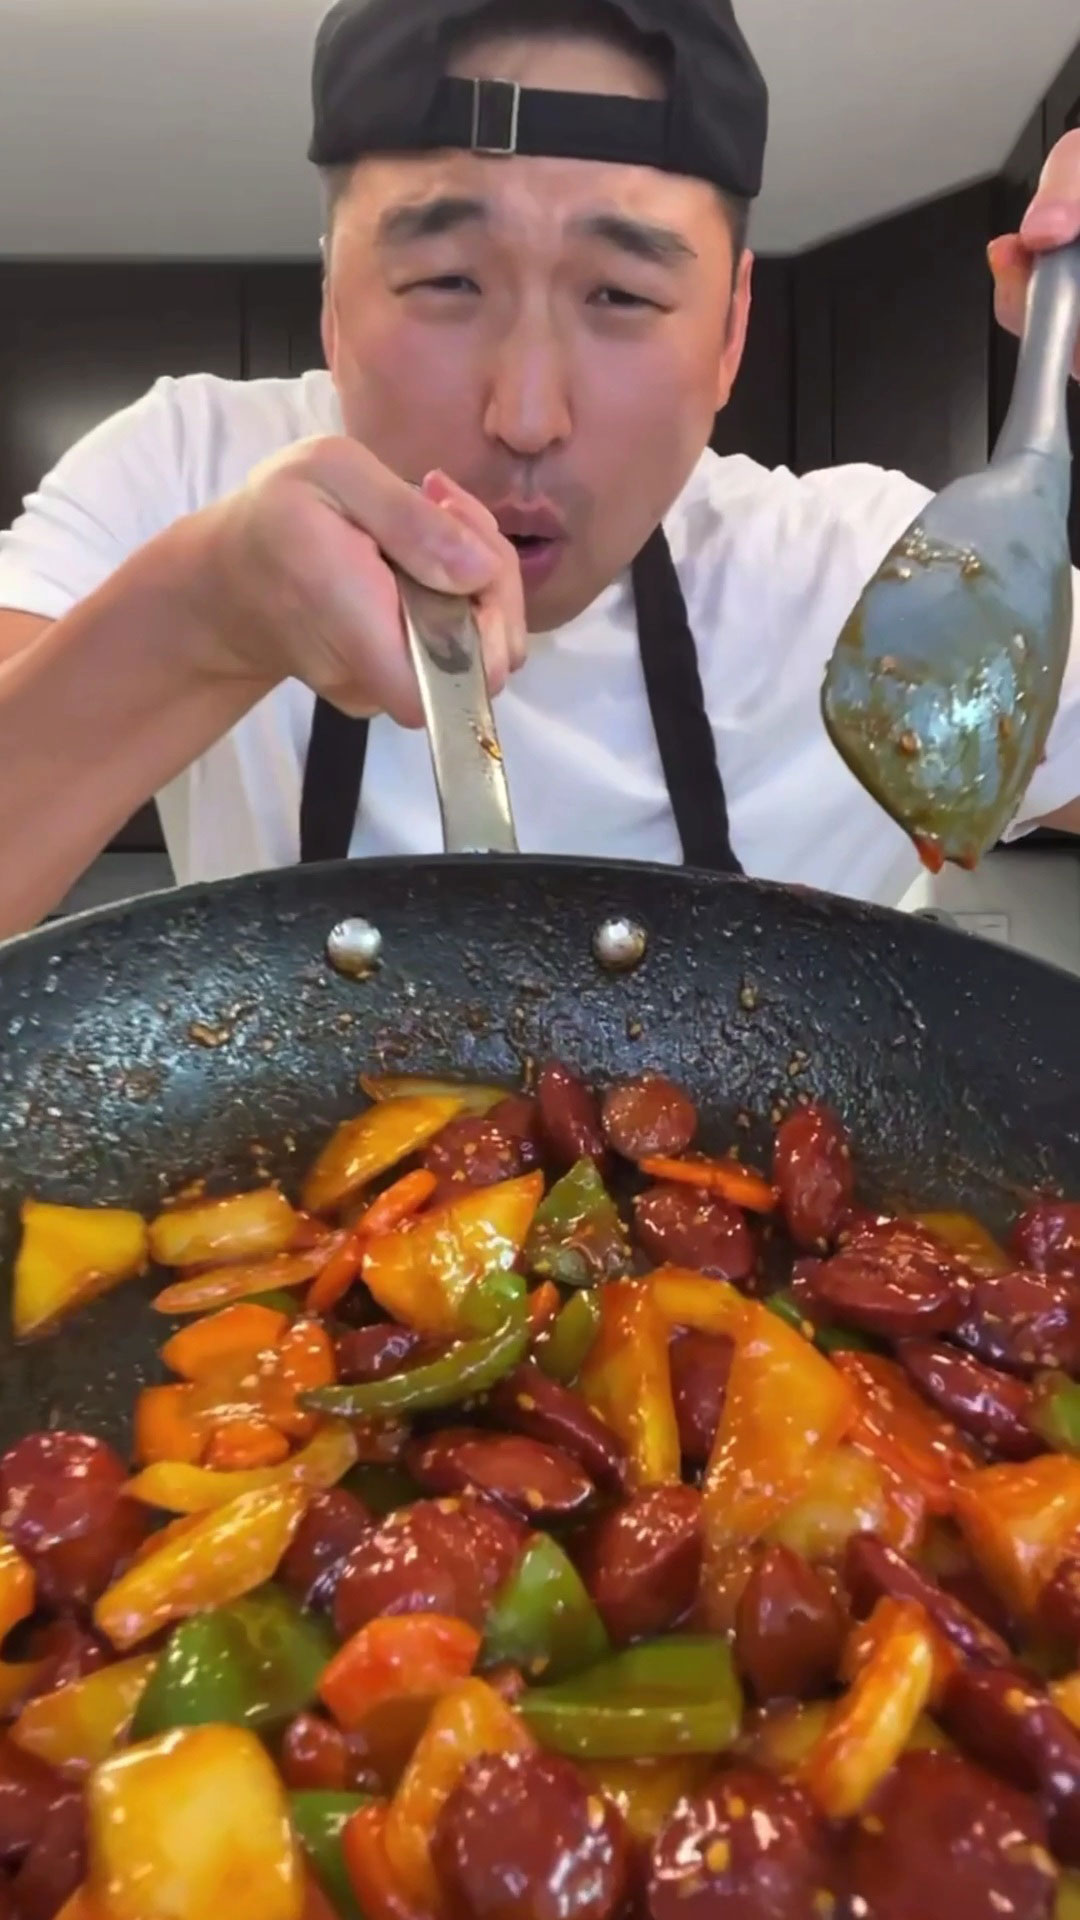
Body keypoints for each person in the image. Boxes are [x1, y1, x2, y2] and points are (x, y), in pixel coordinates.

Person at [0, 0, 1078, 939]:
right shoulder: (188, 472)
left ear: (730, 334)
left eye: (620, 296)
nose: (524, 415)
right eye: (446, 281)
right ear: (333, 303)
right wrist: (202, 619)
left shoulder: (890, 597)